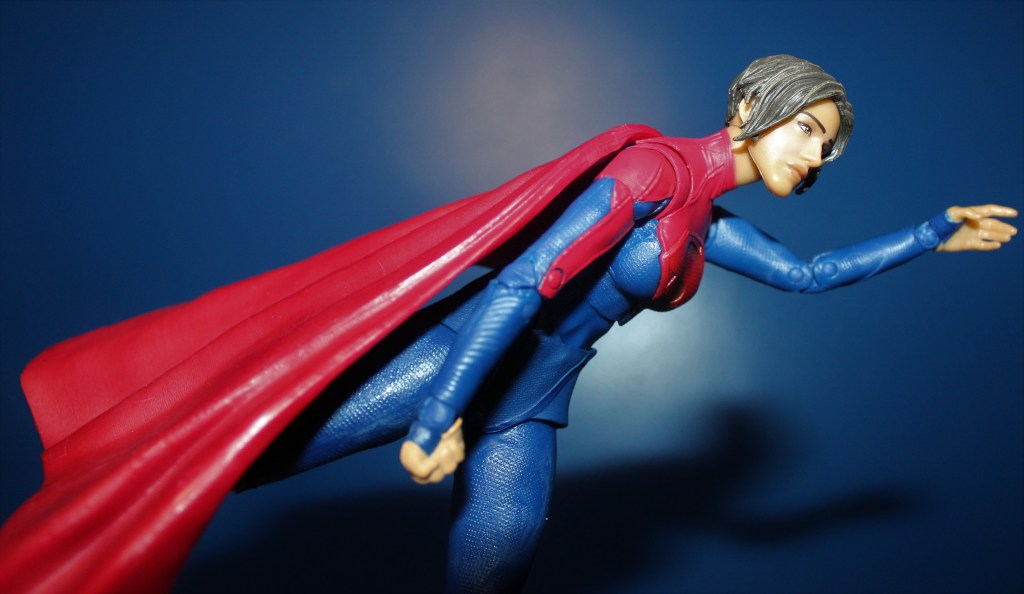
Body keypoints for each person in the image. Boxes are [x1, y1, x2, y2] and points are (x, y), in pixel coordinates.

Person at [0, 55, 1016, 594]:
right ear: (756, 105)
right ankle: (84, 511)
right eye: (808, 130)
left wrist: (931, 232)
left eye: (827, 148)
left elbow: (808, 275)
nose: (814, 155)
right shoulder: (652, 173)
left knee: (500, 555)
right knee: (228, 458)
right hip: (457, 365)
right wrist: (437, 411)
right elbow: (524, 283)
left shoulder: (711, 224)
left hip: (530, 410)